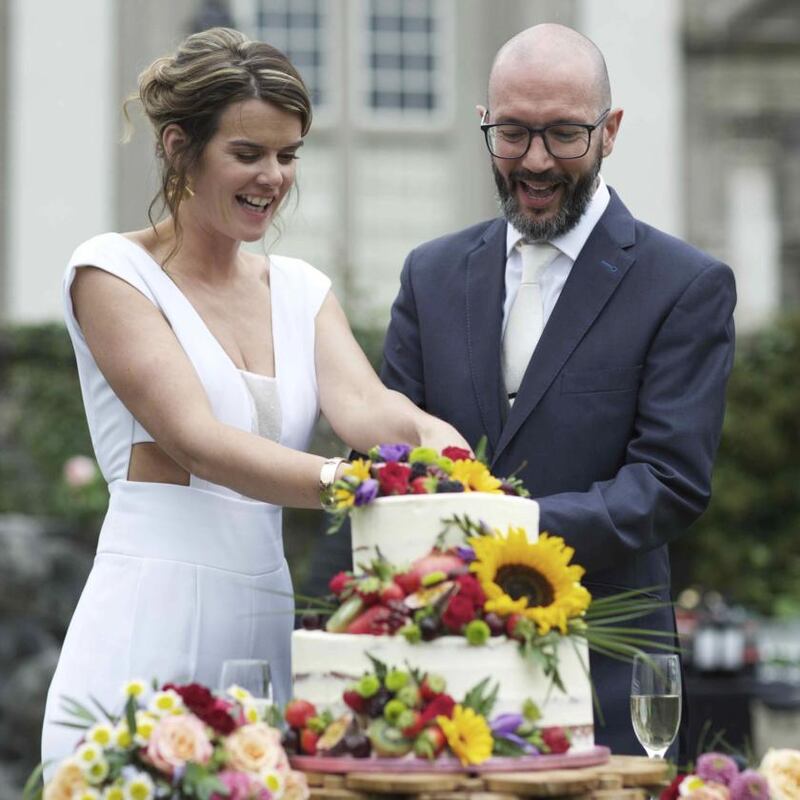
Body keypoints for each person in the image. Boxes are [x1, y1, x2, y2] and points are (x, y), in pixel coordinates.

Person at [41, 27, 468, 768]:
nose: (273, 176)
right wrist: (354, 483)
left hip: (265, 620)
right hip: (149, 611)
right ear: (179, 147)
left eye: (288, 155)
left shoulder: (300, 290)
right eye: (248, 153)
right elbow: (197, 440)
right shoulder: (110, 272)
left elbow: (368, 408)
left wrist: (443, 449)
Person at [379, 24, 736, 756]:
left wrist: (505, 531)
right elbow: (387, 458)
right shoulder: (430, 275)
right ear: (485, 123)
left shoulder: (685, 285)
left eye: (565, 134)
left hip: (608, 680)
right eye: (513, 133)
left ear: (610, 131)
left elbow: (668, 482)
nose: (536, 161)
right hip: (439, 678)